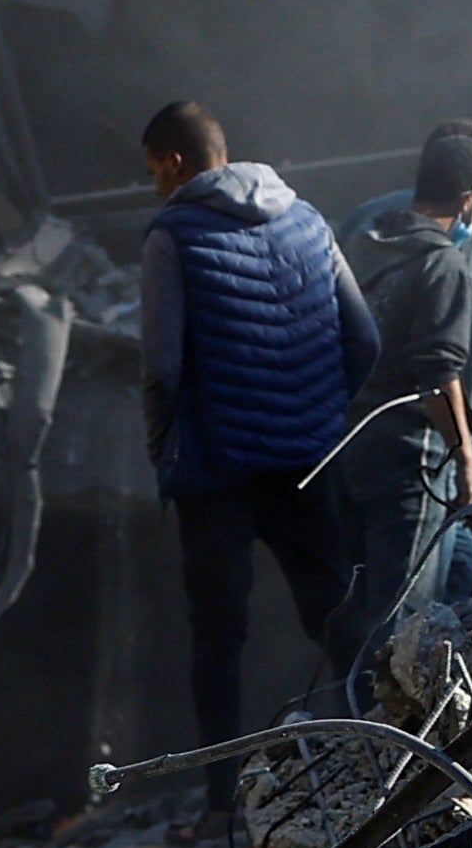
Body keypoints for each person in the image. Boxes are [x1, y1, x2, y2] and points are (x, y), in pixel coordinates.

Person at [133, 100, 381, 804]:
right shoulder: (309, 221)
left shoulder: (172, 234)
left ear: (176, 163)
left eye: (154, 172)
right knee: (333, 612)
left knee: (218, 637)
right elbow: (364, 342)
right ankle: (382, 757)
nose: (155, 187)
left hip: (215, 471)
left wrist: (162, 452)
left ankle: (221, 798)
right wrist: (322, 413)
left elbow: (162, 366)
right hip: (305, 457)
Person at [343, 130, 472, 704]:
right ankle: (380, 737)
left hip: (353, 442)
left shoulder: (367, 243)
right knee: (397, 608)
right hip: (411, 454)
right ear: (471, 198)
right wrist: (470, 462)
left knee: (459, 562)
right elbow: (438, 374)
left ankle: (439, 701)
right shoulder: (443, 263)